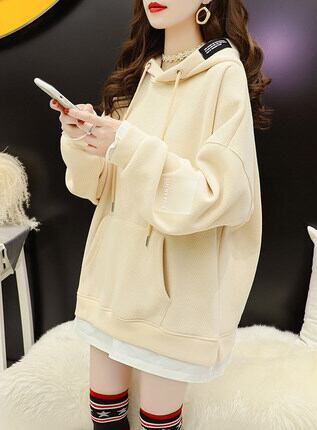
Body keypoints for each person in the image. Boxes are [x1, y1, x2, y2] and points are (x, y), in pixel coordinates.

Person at [50, 1, 272, 429]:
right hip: (112, 284)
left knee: (158, 422)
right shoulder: (141, 74)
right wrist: (84, 140)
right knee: (104, 418)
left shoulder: (222, 74)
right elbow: (100, 188)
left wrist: (129, 146)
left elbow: (222, 196)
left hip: (173, 301)